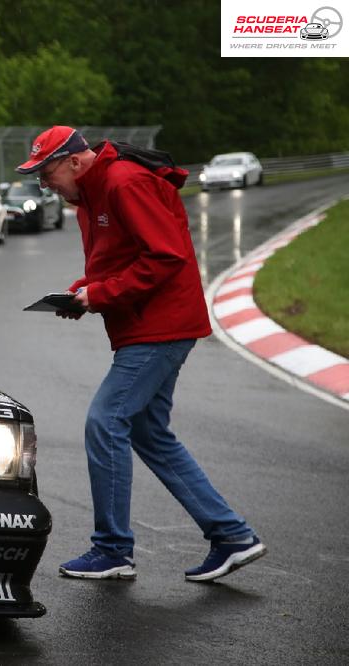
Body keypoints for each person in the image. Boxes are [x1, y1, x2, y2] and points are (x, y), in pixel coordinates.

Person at [16, 126, 266, 582]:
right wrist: (80, 294)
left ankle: (112, 549)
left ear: (75, 160)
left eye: (47, 172)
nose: (45, 184)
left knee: (105, 421)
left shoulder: (124, 182)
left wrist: (102, 295)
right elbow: (116, 261)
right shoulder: (90, 196)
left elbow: (165, 257)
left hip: (162, 326)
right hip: (144, 325)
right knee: (150, 433)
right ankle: (231, 535)